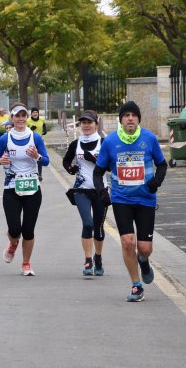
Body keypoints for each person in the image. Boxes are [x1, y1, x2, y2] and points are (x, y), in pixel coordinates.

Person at [93, 101, 167, 302]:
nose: (130, 118)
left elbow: (162, 164)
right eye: (126, 115)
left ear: (138, 119)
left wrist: (156, 182)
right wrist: (102, 192)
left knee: (144, 248)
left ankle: (143, 260)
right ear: (121, 120)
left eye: (134, 115)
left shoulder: (149, 138)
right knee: (127, 242)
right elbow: (98, 172)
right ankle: (136, 285)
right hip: (121, 198)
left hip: (145, 199)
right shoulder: (110, 142)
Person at [0, 103, 49, 276]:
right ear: (12, 118)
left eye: (23, 116)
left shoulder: (35, 138)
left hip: (32, 188)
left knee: (29, 230)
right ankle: (13, 243)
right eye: (17, 116)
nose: (21, 119)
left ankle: (26, 263)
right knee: (15, 228)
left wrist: (37, 156)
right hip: (11, 187)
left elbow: (46, 161)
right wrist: (0, 160)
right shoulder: (6, 138)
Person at [63, 110, 108, 276]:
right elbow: (66, 160)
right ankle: (88, 260)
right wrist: (70, 169)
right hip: (81, 189)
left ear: (96, 124)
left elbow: (111, 167)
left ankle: (98, 257)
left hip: (100, 190)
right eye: (83, 123)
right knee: (87, 223)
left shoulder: (104, 142)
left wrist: (96, 161)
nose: (86, 125)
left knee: (98, 227)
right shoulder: (76, 143)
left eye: (89, 122)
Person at [27, 107, 47, 181]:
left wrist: (45, 130)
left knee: (39, 157)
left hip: (39, 140)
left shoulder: (41, 119)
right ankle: (30, 172)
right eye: (33, 112)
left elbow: (44, 125)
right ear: (31, 114)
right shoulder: (28, 121)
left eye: (36, 112)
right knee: (30, 156)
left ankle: (40, 174)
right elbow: (24, 130)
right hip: (30, 140)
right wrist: (31, 129)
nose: (35, 114)